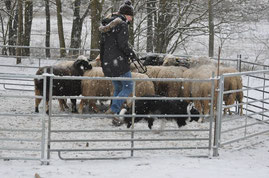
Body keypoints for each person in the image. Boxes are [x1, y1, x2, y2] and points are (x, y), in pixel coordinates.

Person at [99, 0, 136, 126]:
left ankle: (114, 114)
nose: (131, 19)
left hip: (109, 63)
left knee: (118, 88)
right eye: (131, 16)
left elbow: (103, 45)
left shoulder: (107, 25)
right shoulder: (122, 25)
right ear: (126, 15)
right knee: (128, 86)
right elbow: (123, 45)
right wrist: (131, 54)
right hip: (119, 62)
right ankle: (114, 109)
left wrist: (104, 61)